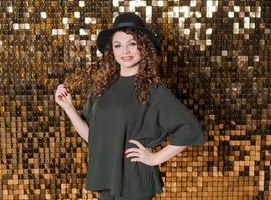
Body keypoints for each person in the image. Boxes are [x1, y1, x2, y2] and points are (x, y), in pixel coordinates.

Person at [55, 12, 205, 200]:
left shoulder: (153, 90)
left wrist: (155, 158)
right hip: (107, 178)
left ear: (143, 47)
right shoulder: (101, 88)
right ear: (112, 50)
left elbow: (189, 129)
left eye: (132, 43)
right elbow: (94, 137)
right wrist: (69, 108)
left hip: (134, 180)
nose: (125, 51)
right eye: (118, 45)